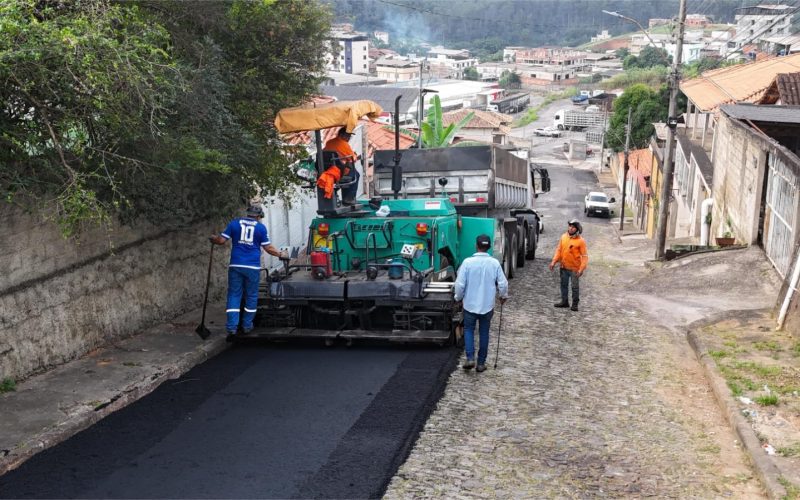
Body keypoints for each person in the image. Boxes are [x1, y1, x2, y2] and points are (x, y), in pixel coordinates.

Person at [209, 205, 288, 341]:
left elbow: (221, 240)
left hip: (236, 265)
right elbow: (268, 248)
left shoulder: (234, 224)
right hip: (252, 267)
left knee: (234, 294)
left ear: (248, 214)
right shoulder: (260, 228)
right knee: (251, 296)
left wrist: (213, 239)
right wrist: (281, 254)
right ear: (258, 216)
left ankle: (232, 327)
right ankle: (246, 325)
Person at [454, 234, 509, 373]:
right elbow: (503, 283)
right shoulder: (495, 263)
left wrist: (458, 297)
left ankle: (470, 357)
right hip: (487, 306)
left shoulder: (467, 263)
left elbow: (460, 285)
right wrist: (503, 296)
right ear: (489, 247)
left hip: (470, 305)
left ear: (476, 245)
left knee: (468, 330)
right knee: (484, 332)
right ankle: (481, 363)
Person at [549, 218, 588, 312]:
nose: (571, 228)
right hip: (563, 267)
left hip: (575, 268)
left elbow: (585, 256)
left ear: (577, 229)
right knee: (563, 285)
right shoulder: (563, 237)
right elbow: (559, 250)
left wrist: (581, 269)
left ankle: (575, 304)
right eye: (570, 226)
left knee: (575, 287)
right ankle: (564, 301)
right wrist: (554, 261)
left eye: (573, 227)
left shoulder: (581, 241)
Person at [319, 128, 360, 204]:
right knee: (355, 174)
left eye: (349, 137)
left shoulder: (329, 142)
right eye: (347, 136)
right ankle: (348, 198)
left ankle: (339, 197)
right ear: (341, 135)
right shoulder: (344, 144)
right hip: (339, 171)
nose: (348, 139)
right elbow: (352, 158)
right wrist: (355, 155)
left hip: (328, 170)